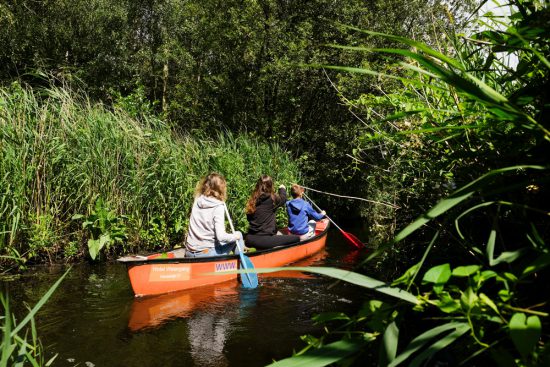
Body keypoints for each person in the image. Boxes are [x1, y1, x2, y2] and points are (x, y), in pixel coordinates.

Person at [184, 173, 243, 257]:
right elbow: (221, 237)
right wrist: (236, 236)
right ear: (221, 188)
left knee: (222, 241)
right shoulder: (218, 206)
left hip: (189, 252)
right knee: (239, 234)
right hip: (206, 254)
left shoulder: (197, 199)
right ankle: (240, 267)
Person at [244, 175, 300, 249]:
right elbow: (283, 199)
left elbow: (249, 218)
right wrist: (282, 188)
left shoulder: (253, 200)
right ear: (271, 185)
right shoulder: (272, 199)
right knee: (296, 238)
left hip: (250, 238)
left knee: (278, 234)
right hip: (264, 240)